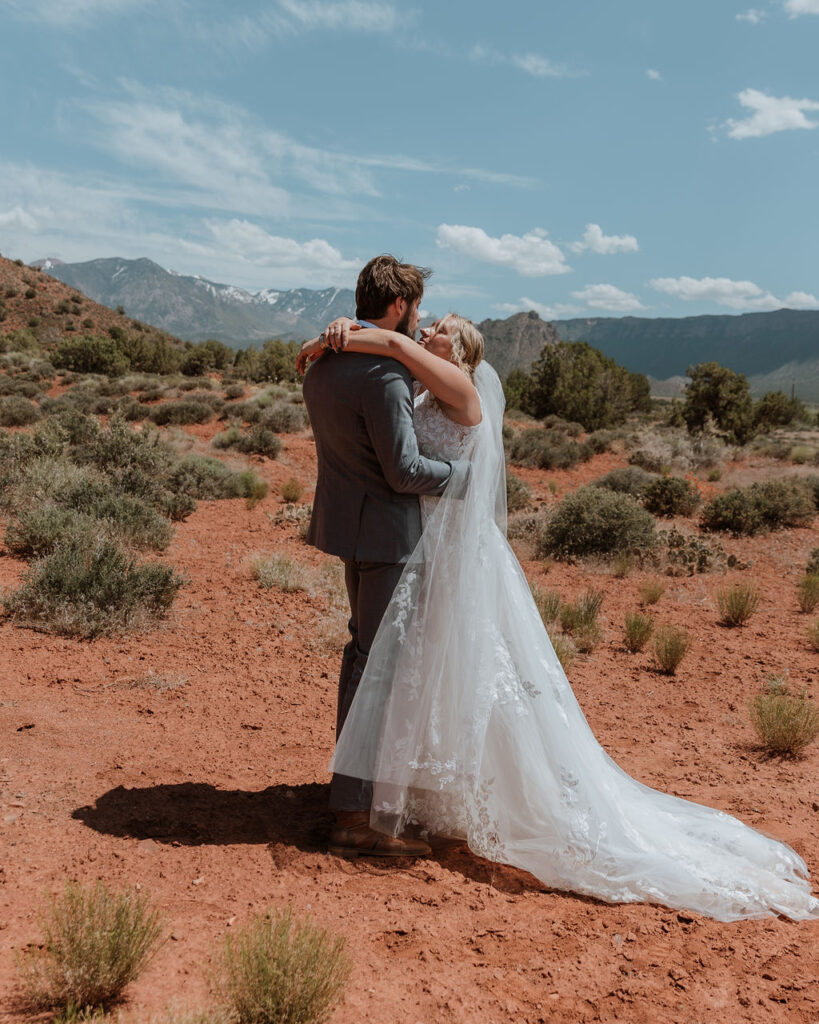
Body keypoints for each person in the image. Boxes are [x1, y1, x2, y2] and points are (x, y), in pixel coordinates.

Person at [299, 312, 819, 922]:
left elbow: (390, 343)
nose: (429, 331)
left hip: (453, 550)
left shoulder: (459, 389)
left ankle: (494, 795)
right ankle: (421, 791)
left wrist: (322, 340)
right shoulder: (419, 385)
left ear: (462, 353)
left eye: (441, 329)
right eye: (428, 324)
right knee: (430, 668)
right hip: (425, 547)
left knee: (471, 668)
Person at [300, 255, 470, 860]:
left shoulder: (323, 364)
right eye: (417, 308)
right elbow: (402, 473)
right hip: (391, 540)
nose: (419, 318)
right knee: (380, 672)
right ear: (399, 306)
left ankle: (361, 792)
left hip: (350, 530)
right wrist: (464, 475)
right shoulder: (384, 374)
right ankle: (353, 813)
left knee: (364, 658)